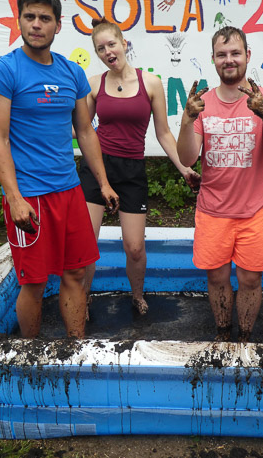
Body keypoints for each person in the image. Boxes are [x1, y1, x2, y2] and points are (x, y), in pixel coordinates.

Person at [0, 0, 119, 339]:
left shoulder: (71, 73)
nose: (36, 24)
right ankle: (30, 354)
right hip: (30, 195)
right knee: (34, 282)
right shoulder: (3, 71)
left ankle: (76, 347)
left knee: (76, 273)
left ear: (58, 25)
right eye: (29, 16)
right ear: (19, 20)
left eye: (45, 18)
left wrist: (103, 183)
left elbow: (85, 131)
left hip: (69, 191)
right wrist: (14, 198)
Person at [77, 17, 200, 316]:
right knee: (86, 245)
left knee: (134, 248)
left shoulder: (151, 83)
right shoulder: (93, 84)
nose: (107, 52)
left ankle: (137, 295)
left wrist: (184, 168)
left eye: (111, 44)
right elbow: (82, 130)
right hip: (97, 168)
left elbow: (163, 133)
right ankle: (81, 300)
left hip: (132, 171)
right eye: (100, 48)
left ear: (124, 44)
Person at [176, 26, 263, 343]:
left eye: (235, 53)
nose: (229, 60)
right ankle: (224, 334)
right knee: (217, 277)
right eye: (222, 54)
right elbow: (187, 157)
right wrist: (187, 119)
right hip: (213, 211)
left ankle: (245, 339)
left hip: (256, 210)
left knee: (250, 279)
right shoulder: (201, 103)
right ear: (213, 59)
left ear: (247, 56)